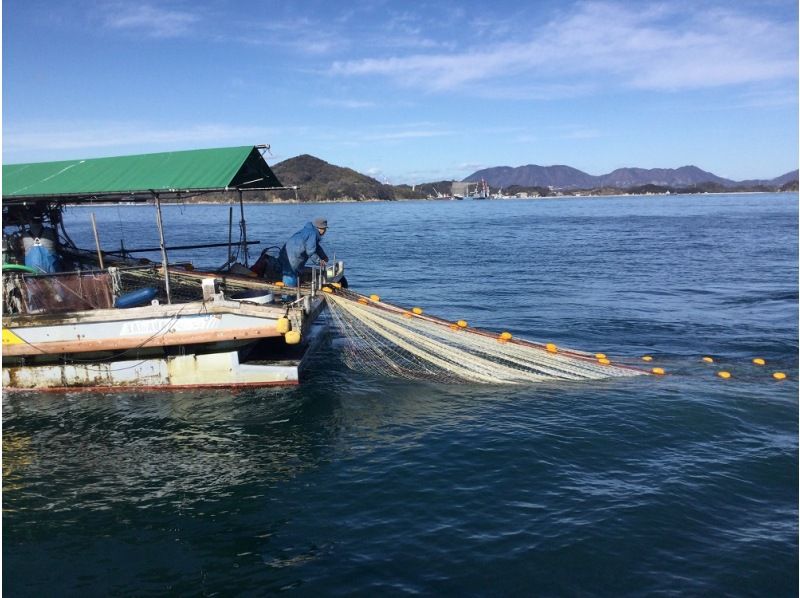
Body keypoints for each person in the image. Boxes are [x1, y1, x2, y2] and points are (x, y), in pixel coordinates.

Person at [278, 218, 328, 294]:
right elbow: (310, 251)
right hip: (293, 255)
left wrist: (323, 256)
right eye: (325, 229)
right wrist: (319, 262)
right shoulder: (313, 234)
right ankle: (287, 298)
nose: (325, 231)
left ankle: (290, 293)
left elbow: (316, 247)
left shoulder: (309, 231)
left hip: (286, 251)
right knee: (290, 275)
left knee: (290, 272)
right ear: (321, 229)